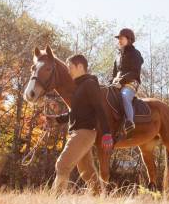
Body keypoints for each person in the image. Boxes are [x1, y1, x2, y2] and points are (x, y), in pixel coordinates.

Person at [45, 54, 114, 194]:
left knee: (62, 165)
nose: (68, 71)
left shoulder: (90, 84)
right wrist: (56, 119)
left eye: (70, 67)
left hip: (84, 133)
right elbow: (76, 112)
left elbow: (99, 108)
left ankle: (55, 199)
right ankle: (100, 199)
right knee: (87, 172)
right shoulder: (81, 86)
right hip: (79, 132)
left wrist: (106, 133)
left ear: (80, 67)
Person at [110, 28, 143, 134]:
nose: (119, 40)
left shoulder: (135, 54)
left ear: (129, 39)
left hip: (131, 83)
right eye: (118, 38)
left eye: (121, 38)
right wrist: (110, 83)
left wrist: (122, 81)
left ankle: (130, 122)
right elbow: (114, 74)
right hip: (116, 83)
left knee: (124, 96)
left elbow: (135, 72)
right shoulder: (117, 56)